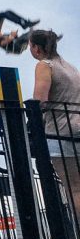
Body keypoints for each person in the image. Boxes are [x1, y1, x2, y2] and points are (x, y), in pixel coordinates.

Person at [30, 30, 80, 219]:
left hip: (60, 132)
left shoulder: (45, 66)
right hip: (78, 127)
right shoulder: (70, 67)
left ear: (36, 48)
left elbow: (40, 100)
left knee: (74, 188)